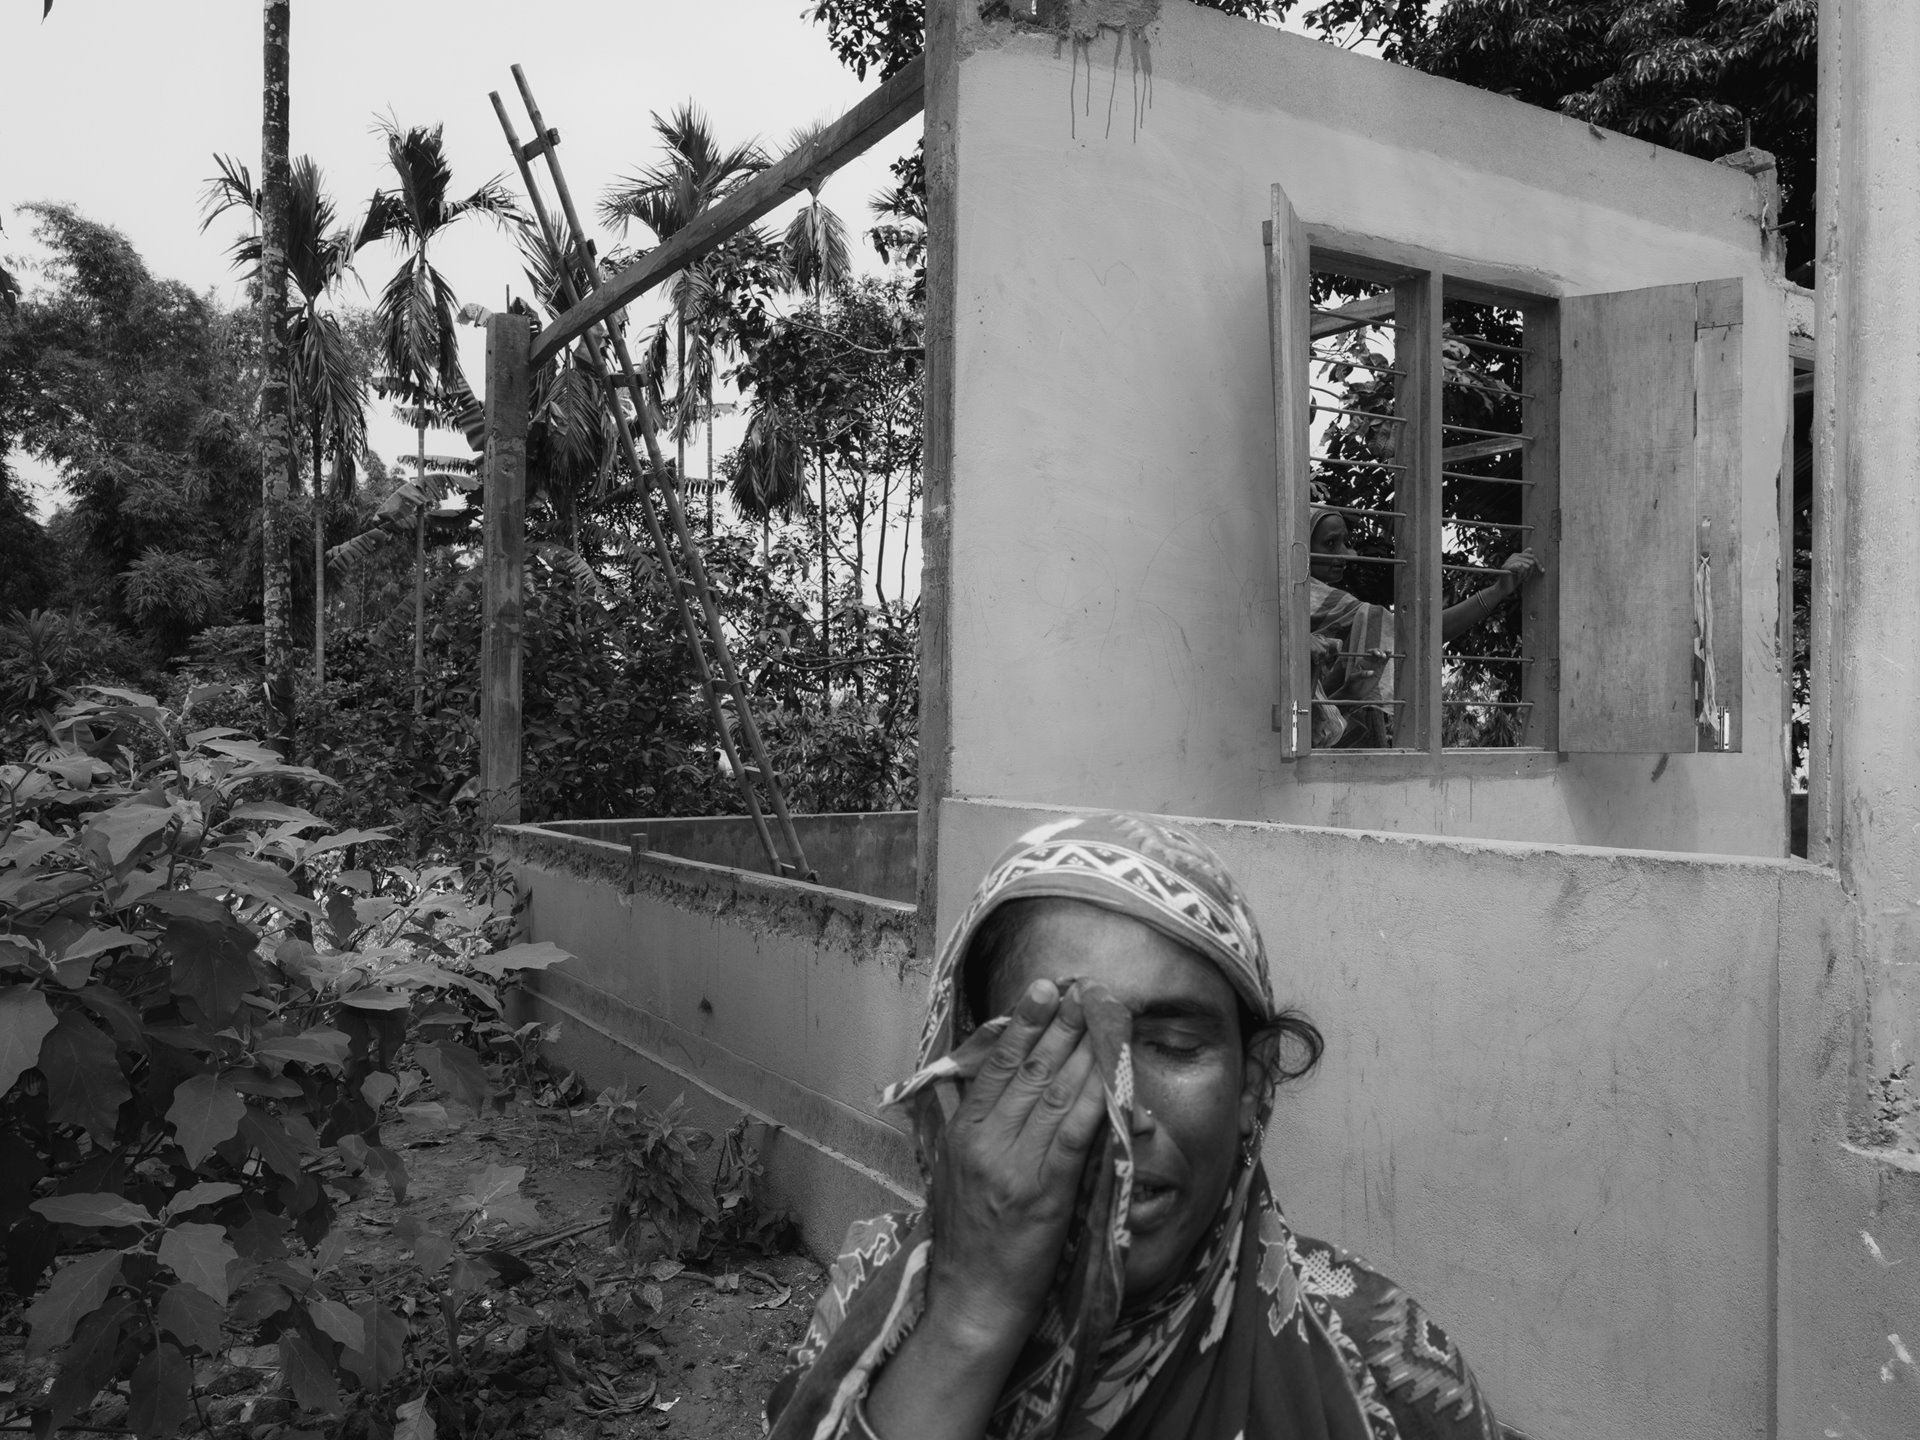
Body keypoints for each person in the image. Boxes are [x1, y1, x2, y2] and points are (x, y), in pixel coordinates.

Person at [765, 811, 1506, 1440]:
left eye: (1175, 1048)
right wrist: (971, 1313)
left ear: (1251, 1084)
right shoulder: (872, 1305)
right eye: (1066, 1049)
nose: (1127, 1117)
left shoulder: (1383, 1366)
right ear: (969, 1079)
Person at [1309, 504, 1543, 748]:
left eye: (1345, 542)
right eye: (1330, 544)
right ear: (1300, 548)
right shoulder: (1316, 605)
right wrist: (1498, 591)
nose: (1348, 554)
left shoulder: (1334, 608)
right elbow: (1420, 635)